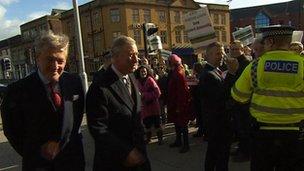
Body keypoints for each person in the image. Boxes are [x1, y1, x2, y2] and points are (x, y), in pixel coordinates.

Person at [1, 31, 85, 170]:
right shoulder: (17, 90)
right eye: (50, 59)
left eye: (60, 61)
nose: (55, 66)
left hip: (73, 162)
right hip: (39, 165)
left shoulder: (74, 82)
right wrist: (37, 151)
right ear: (37, 57)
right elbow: (12, 130)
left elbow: (76, 119)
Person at [231, 25, 304, 171]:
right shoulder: (302, 65)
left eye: (264, 42)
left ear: (270, 42)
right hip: (295, 134)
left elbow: (238, 96)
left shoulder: (255, 66)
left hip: (262, 134)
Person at [86, 35, 151, 171]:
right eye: (130, 55)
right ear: (115, 57)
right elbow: (98, 128)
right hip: (115, 162)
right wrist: (125, 152)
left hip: (139, 157)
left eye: (137, 54)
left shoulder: (132, 77)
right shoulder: (99, 86)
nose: (136, 59)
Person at [199, 42, 238, 171]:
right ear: (207, 56)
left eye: (222, 52)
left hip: (220, 123)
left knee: (215, 154)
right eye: (218, 53)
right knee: (219, 156)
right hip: (217, 124)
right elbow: (221, 96)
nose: (222, 56)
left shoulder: (216, 71)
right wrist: (232, 73)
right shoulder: (208, 75)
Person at [229, 40, 251, 161]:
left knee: (244, 129)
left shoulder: (246, 63)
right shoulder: (234, 62)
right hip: (236, 101)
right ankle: (241, 149)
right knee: (239, 128)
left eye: (236, 49)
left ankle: (245, 153)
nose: (234, 51)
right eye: (231, 49)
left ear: (242, 50)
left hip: (243, 102)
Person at [167, 54, 193, 153]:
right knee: (177, 123)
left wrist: (179, 106)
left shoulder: (178, 73)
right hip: (175, 102)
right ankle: (178, 140)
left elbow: (182, 91)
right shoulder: (175, 71)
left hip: (179, 103)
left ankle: (186, 145)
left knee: (182, 124)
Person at [135, 65, 163, 145]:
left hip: (153, 106)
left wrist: (145, 95)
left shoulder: (150, 80)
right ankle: (148, 138)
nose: (143, 73)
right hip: (145, 107)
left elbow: (158, 92)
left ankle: (160, 139)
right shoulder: (137, 82)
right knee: (147, 124)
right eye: (141, 71)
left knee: (157, 123)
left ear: (147, 72)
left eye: (144, 71)